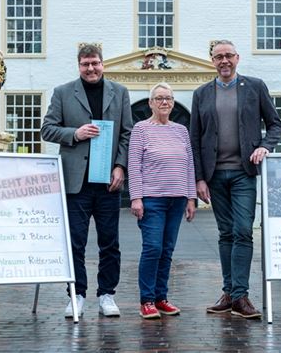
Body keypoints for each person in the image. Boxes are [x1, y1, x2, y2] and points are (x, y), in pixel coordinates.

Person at [190, 40, 281, 319]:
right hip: (214, 174)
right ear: (212, 61)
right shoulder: (201, 93)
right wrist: (199, 179)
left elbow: (275, 124)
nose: (224, 61)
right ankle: (229, 293)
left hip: (244, 172)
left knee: (243, 230)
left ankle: (240, 295)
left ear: (238, 58)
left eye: (229, 55)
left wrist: (266, 146)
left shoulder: (255, 87)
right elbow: (195, 139)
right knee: (226, 233)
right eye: (219, 57)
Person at [41, 43, 132, 318]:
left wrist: (120, 166)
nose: (90, 68)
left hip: (108, 182)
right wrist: (75, 134)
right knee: (75, 241)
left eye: (95, 63)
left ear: (103, 64)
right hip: (75, 183)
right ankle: (76, 295)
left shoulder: (120, 92)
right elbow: (47, 129)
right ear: (78, 66)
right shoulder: (63, 92)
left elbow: (127, 133)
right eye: (85, 64)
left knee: (110, 242)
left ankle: (107, 295)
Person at [128, 82, 197, 319]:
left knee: (167, 250)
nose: (164, 102)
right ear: (150, 103)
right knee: (152, 248)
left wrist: (191, 197)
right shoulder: (140, 129)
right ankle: (146, 300)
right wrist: (136, 197)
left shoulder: (181, 131)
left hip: (177, 200)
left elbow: (189, 165)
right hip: (152, 200)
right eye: (159, 98)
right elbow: (134, 166)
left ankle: (161, 298)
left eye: (168, 98)